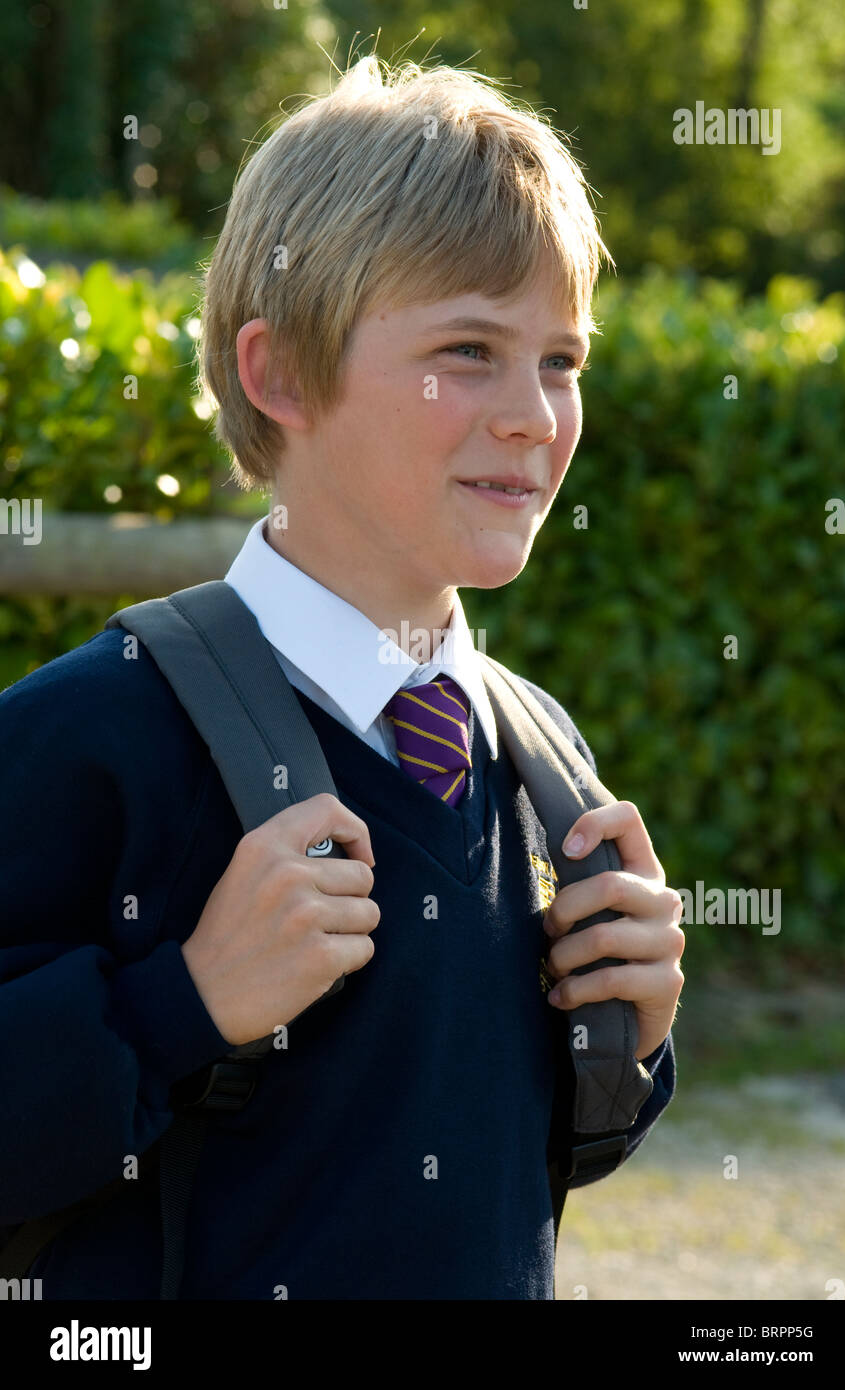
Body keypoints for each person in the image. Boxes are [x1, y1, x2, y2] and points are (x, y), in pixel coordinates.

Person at [0, 53, 684, 1300]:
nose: (534, 414)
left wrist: (624, 1045)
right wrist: (182, 1004)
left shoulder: (544, 766)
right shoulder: (87, 737)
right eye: (468, 349)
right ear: (280, 376)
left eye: (561, 359)